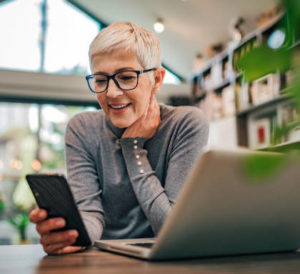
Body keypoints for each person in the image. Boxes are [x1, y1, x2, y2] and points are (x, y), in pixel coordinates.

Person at [29, 21, 209, 255]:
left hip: (167, 262)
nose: (111, 93)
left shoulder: (185, 124)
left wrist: (133, 148)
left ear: (156, 79)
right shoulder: (82, 129)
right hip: (105, 262)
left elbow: (171, 229)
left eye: (126, 77)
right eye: (101, 80)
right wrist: (71, 234)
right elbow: (91, 214)